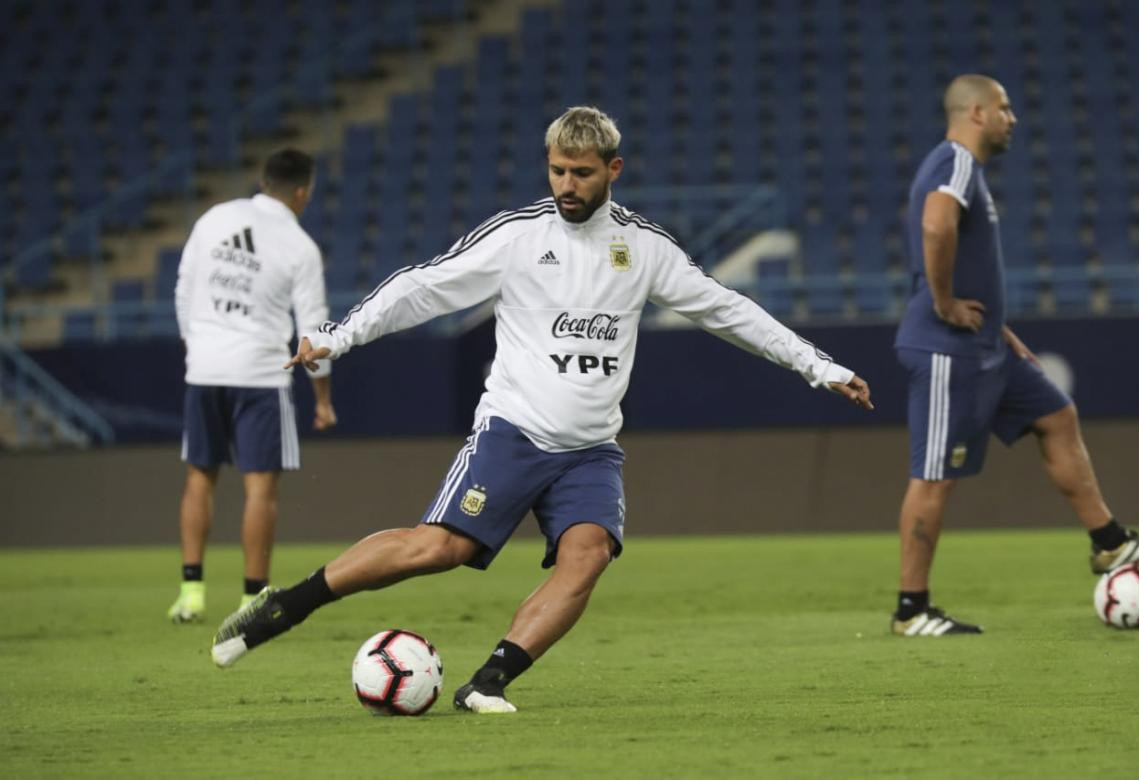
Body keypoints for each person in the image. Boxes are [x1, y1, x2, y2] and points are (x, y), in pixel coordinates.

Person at [210, 107, 874, 712]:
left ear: (613, 170)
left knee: (589, 556)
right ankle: (285, 607)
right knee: (437, 547)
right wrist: (338, 335)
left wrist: (819, 366)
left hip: (591, 448)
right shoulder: (518, 237)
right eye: (557, 169)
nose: (567, 184)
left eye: (581, 173)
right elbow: (422, 288)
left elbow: (728, 310)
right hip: (514, 432)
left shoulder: (644, 249)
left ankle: (486, 683)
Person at [890, 75, 1139, 636]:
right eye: (1004, 108)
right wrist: (944, 304)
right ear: (975, 112)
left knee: (1056, 414)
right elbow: (935, 225)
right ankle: (911, 610)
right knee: (935, 477)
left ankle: (1110, 544)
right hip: (948, 350)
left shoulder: (963, 169)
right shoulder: (956, 162)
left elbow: (958, 248)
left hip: (987, 344)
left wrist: (999, 327)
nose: (1012, 118)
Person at [168, 148, 337, 623]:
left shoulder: (213, 218)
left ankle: (191, 593)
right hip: (260, 376)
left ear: (264, 181)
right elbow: (314, 333)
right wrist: (323, 399)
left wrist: (196, 346)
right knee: (259, 487)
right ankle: (252, 599)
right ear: (303, 191)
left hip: (204, 369)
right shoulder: (300, 247)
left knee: (200, 476)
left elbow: (183, 289)